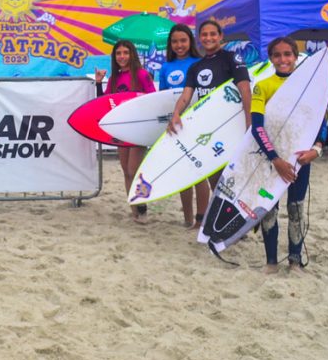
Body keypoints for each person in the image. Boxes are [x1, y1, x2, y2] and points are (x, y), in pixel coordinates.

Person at [250, 37, 327, 274]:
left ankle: (295, 261)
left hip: (299, 160)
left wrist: (316, 150)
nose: (282, 59)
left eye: (287, 54)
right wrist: (275, 159)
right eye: (277, 55)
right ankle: (271, 262)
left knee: (296, 209)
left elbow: (322, 121)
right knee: (268, 208)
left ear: (295, 56)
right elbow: (257, 127)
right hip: (269, 160)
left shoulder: (310, 86)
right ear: (270, 58)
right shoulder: (262, 86)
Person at [167, 19, 252, 230]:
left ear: (221, 36)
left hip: (230, 128)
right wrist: (176, 114)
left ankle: (237, 219)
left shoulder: (233, 58)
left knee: (230, 178)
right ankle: (226, 221)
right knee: (215, 178)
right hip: (209, 130)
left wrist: (249, 123)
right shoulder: (196, 67)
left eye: (213, 34)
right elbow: (186, 96)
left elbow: (245, 90)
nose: (208, 38)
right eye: (204, 35)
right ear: (200, 38)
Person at [95, 40, 156, 224]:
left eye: (125, 53)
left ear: (132, 54)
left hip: (138, 130)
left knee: (134, 170)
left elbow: (153, 99)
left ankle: (143, 206)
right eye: (118, 53)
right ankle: (134, 210)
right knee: (126, 171)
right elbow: (104, 102)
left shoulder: (142, 75)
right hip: (121, 130)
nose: (122, 56)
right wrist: (99, 83)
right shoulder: (114, 79)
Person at [158, 24, 200, 227]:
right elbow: (163, 98)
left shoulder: (199, 63)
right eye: (175, 41)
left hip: (198, 123)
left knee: (200, 172)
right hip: (176, 124)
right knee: (183, 173)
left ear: (190, 41)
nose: (179, 45)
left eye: (183, 40)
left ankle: (202, 219)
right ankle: (187, 219)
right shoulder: (166, 67)